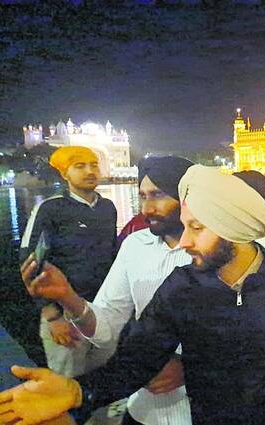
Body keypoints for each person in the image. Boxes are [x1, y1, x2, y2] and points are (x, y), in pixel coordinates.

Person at [0, 165, 265, 425]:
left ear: (233, 228)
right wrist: (78, 392)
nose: (184, 242)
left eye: (196, 228)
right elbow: (136, 362)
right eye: (185, 226)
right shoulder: (182, 288)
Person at [18, 156, 195, 425]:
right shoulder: (136, 245)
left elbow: (249, 334)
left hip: (202, 407)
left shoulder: (217, 249)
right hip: (143, 408)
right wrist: (66, 297)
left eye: (158, 195)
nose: (147, 209)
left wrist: (192, 366)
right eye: (142, 197)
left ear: (187, 196)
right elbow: (109, 324)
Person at [19, 146, 118, 378]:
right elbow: (31, 262)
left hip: (101, 311)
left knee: (104, 375)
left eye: (94, 165)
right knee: (67, 380)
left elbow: (113, 256)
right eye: (80, 166)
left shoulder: (107, 208)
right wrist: (51, 315)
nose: (90, 171)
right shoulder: (51, 209)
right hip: (64, 316)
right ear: (65, 174)